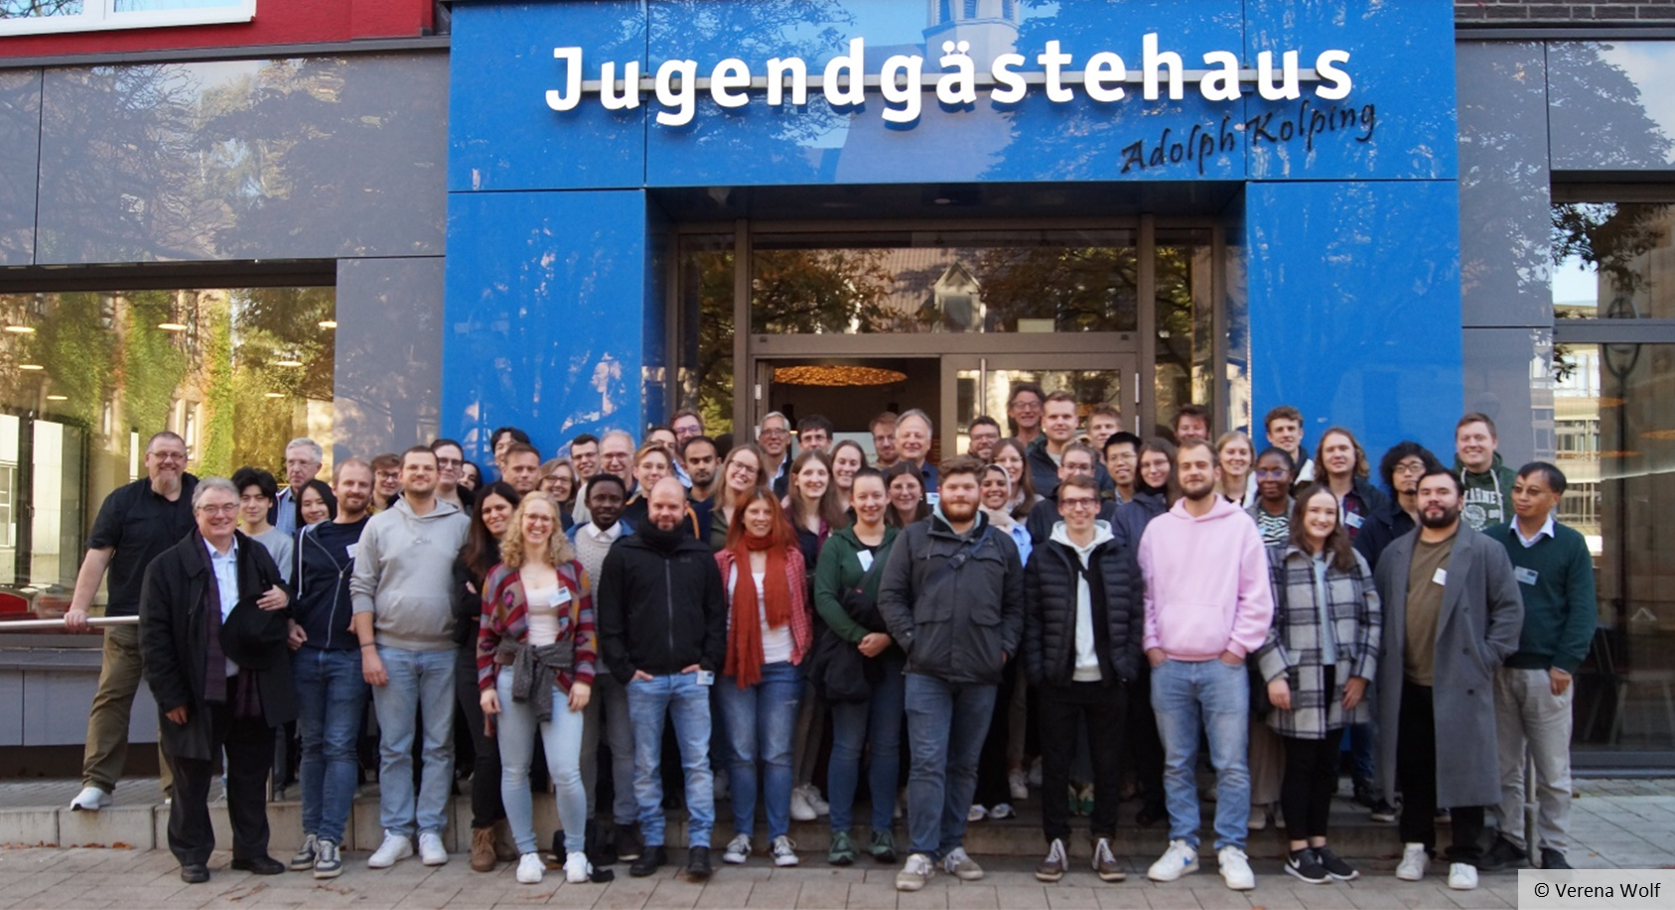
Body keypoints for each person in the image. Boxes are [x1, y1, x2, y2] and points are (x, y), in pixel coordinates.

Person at [878, 456, 1026, 893]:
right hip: (926, 671)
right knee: (927, 763)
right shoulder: (913, 538)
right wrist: (912, 641)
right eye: (953, 487)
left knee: (964, 765)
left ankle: (953, 846)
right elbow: (891, 597)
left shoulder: (1001, 546)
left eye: (968, 487)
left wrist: (1003, 649)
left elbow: (1015, 608)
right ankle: (922, 852)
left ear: (981, 490)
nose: (960, 494)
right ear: (940, 491)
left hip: (981, 673)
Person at [1374, 467, 1524, 891]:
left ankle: (1464, 854)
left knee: (1466, 769)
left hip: (1462, 680)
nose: (1433, 499)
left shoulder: (1485, 550)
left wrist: (1485, 658)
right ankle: (1415, 846)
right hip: (1407, 683)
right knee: (1415, 770)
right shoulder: (1396, 553)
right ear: (1415, 500)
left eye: (1442, 491)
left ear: (1459, 500)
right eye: (1426, 493)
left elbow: (1510, 612)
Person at [139, 476, 293, 884]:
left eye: (229, 506)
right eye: (212, 508)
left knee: (249, 774)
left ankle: (251, 851)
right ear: (197, 514)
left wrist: (284, 596)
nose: (222, 515)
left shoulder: (256, 555)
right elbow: (153, 639)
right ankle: (192, 855)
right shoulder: (167, 566)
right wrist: (169, 694)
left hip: (249, 687)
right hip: (195, 689)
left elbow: (277, 600)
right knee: (190, 777)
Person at [1138, 437, 1272, 892]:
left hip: (1223, 665)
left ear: (1217, 470)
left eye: (1201, 465)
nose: (1193, 471)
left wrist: (1237, 647)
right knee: (1176, 762)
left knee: (1231, 763)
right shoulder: (1159, 529)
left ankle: (1231, 847)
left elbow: (1256, 597)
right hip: (1169, 665)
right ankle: (1184, 845)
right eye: (1186, 465)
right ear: (1177, 472)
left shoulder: (1240, 527)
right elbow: (1145, 595)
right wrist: (1153, 645)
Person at [597, 477, 728, 882]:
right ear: (647, 507)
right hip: (644, 679)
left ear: (684, 507)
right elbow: (610, 618)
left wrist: (708, 662)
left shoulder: (700, 554)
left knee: (697, 765)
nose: (666, 514)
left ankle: (700, 846)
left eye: (673, 507)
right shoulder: (625, 554)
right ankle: (652, 843)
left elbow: (715, 616)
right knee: (645, 765)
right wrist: (623, 668)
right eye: (659, 507)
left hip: (692, 679)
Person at [350, 446, 472, 869]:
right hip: (391, 650)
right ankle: (397, 832)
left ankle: (430, 831)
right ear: (400, 475)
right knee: (394, 747)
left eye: (428, 468)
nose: (420, 473)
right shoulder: (378, 526)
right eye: (413, 467)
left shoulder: (460, 525)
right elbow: (361, 587)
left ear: (440, 474)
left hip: (444, 652)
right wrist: (368, 649)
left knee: (440, 746)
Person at [64, 431, 198, 811]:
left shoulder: (200, 498)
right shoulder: (123, 501)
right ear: (147, 459)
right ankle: (97, 784)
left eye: (176, 455)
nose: (168, 462)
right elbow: (97, 556)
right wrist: (79, 606)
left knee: (176, 703)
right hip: (126, 620)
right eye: (161, 455)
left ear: (186, 460)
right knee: (111, 698)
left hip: (181, 624)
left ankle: (178, 790)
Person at [1256, 485, 1381, 885]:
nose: (1323, 519)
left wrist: (1362, 673)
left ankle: (1319, 842)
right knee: (1301, 764)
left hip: (1342, 676)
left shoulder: (1352, 560)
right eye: (1316, 511)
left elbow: (1372, 618)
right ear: (1301, 514)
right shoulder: (1278, 558)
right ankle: (1297, 849)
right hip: (1297, 677)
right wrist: (1274, 673)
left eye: (1330, 512)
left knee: (1327, 767)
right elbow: (1263, 620)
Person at [1024, 474, 1143, 885]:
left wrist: (1126, 664)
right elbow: (1032, 618)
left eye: (1087, 502)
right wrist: (1039, 670)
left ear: (1098, 506)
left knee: (1108, 766)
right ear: (1060, 508)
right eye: (1071, 502)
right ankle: (1056, 843)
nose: (1079, 509)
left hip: (1109, 679)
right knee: (1055, 765)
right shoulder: (1043, 556)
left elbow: (1135, 614)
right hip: (1059, 680)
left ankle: (1103, 841)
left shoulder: (1120, 554)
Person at [478, 492, 597, 885]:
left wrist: (583, 678)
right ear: (520, 521)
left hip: (562, 675)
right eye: (531, 516)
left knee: (566, 770)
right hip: (513, 675)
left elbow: (586, 631)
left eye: (546, 518)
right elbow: (485, 637)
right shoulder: (500, 575)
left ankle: (576, 850)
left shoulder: (572, 571)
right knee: (514, 770)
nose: (537, 524)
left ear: (554, 524)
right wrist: (486, 686)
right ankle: (528, 852)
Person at [1481, 462, 1595, 873]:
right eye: (1518, 489)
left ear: (1555, 498)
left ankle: (1554, 846)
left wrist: (1565, 663)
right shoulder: (1492, 540)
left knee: (1552, 769)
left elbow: (1583, 609)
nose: (1522, 497)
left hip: (1549, 674)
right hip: (1500, 670)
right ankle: (1510, 837)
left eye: (1533, 491)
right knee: (1505, 765)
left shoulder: (1570, 544)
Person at [715, 489, 814, 868]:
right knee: (741, 754)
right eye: (752, 512)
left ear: (776, 518)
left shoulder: (791, 558)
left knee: (776, 754)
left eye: (766, 512)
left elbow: (802, 606)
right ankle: (742, 834)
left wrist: (800, 649)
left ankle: (778, 837)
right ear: (740, 518)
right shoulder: (723, 561)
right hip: (735, 667)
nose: (759, 518)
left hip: (781, 667)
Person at [289, 459, 376, 879]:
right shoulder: (307, 537)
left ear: (371, 491)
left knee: (341, 745)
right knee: (311, 745)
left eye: (363, 484)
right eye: (349, 483)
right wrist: (288, 623)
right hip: (308, 653)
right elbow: (292, 590)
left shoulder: (377, 533)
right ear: (335, 488)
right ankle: (309, 833)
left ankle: (329, 838)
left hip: (350, 655)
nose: (356, 489)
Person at [815, 468, 904, 866]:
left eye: (876, 496)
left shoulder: (903, 542)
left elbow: (912, 595)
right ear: (851, 500)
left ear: (888, 499)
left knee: (886, 746)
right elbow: (825, 598)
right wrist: (857, 636)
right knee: (847, 747)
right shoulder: (837, 545)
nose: (869, 503)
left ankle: (883, 829)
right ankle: (840, 833)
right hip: (850, 658)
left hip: (892, 657)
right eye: (862, 496)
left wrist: (887, 637)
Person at [567, 473, 641, 864]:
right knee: (583, 750)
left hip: (622, 664)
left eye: (614, 498)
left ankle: (627, 825)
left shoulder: (633, 541)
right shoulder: (567, 542)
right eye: (600, 498)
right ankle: (588, 824)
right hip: (578, 664)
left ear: (624, 502)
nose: (607, 505)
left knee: (625, 748)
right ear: (588, 500)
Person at [452, 481, 522, 872]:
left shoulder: (530, 553)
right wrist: (502, 606)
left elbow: (526, 607)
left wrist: (487, 604)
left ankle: (503, 829)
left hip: (519, 661)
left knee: (514, 753)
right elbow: (463, 606)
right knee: (486, 748)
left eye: (502, 508)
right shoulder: (468, 558)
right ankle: (483, 835)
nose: (495, 515)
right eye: (488, 510)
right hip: (473, 661)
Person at [1112, 437, 1176, 829]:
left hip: (1184, 632)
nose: (1153, 470)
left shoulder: (1185, 508)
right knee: (1145, 724)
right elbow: (1122, 570)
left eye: (1160, 463)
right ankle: (1154, 797)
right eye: (1146, 465)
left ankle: (1180, 797)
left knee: (1180, 726)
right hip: (1140, 633)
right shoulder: (1126, 514)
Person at [1025, 442, 1117, 546]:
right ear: (1060, 471)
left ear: (1093, 472)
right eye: (1071, 466)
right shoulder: (1042, 510)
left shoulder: (1111, 510)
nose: (1077, 473)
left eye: (1084, 467)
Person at [1314, 427, 1388, 539]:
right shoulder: (1310, 499)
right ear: (1321, 458)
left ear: (1356, 455)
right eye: (1330, 450)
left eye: (1343, 448)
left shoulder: (1375, 499)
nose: (1337, 455)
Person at [1455, 412, 1517, 530]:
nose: (1472, 444)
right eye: (1465, 439)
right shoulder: (1446, 483)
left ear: (1494, 442)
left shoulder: (1514, 482)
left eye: (1479, 438)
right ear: (1456, 445)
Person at [784, 450, 844, 570]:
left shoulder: (839, 521)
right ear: (795, 479)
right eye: (808, 473)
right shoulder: (783, 520)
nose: (815, 479)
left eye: (821, 473)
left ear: (829, 478)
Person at [234, 467, 293, 584]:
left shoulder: (284, 544)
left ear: (270, 502)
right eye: (245, 498)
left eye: (259, 498)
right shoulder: (227, 539)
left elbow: (283, 589)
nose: (252, 505)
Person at [710, 444, 770, 551]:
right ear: (727, 466)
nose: (742, 473)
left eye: (750, 469)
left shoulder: (766, 513)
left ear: (758, 477)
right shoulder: (704, 512)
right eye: (738, 465)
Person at [274, 437, 324, 537]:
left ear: (317, 468)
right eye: (291, 462)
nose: (296, 469)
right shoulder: (274, 502)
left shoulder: (331, 502)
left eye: (303, 463)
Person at [1247, 448, 1296, 547]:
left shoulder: (1303, 515)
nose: (1269, 479)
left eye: (1277, 472)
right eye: (1262, 472)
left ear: (1291, 476)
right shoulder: (1245, 519)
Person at [1264, 406, 1316, 484]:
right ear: (1269, 437)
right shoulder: (1259, 477)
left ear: (1300, 433)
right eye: (1279, 430)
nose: (1286, 434)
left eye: (1291, 429)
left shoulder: (1316, 474)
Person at [991, 438, 1040, 519]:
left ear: (1023, 465)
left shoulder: (1038, 504)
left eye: (1014, 460)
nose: (1008, 465)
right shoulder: (980, 505)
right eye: (1002, 460)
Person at [895, 409, 938, 492]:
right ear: (896, 442)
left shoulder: (941, 479)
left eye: (918, 436)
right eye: (906, 435)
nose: (912, 441)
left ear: (929, 443)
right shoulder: (882, 479)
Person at [884, 462, 930, 529]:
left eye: (911, 486)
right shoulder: (879, 527)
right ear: (888, 492)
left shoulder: (933, 526)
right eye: (898, 487)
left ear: (921, 491)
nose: (905, 493)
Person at [759, 412, 795, 496]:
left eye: (778, 431)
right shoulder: (754, 471)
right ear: (760, 439)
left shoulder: (796, 471)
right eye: (767, 432)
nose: (773, 437)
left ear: (789, 438)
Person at [1215, 432, 1254, 506]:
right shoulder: (1208, 493)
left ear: (1251, 457)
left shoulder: (1259, 491)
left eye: (1243, 453)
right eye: (1230, 452)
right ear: (1219, 456)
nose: (1237, 458)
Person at [830, 439, 867, 515]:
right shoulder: (820, 503)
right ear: (832, 464)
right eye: (841, 462)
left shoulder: (868, 505)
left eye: (853, 464)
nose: (846, 469)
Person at [432, 439, 470, 512]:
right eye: (442, 461)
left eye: (455, 463)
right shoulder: (410, 503)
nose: (449, 467)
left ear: (461, 470)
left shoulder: (475, 506)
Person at [683, 435, 721, 503]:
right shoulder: (679, 503)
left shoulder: (728, 503)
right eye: (695, 461)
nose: (701, 467)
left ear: (718, 463)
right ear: (685, 467)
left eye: (707, 460)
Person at [539, 457, 578, 523]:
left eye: (564, 480)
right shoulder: (527, 512)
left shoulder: (576, 518)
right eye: (552, 478)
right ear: (540, 483)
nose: (558, 484)